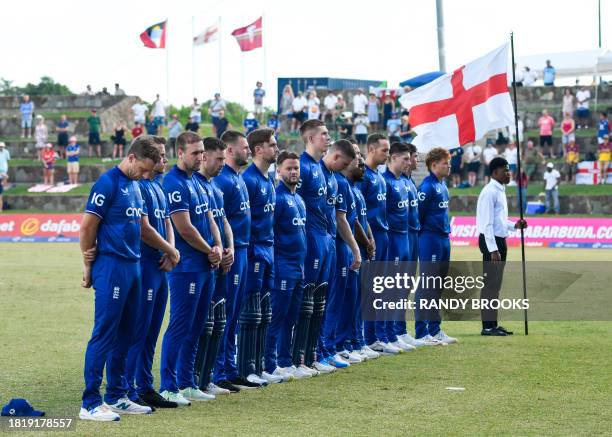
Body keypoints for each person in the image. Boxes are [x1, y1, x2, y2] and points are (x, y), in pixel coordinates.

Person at [78, 136, 161, 421]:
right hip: (111, 266)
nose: (147, 175)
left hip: (134, 266)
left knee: (128, 333)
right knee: (105, 332)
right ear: (132, 158)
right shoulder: (107, 183)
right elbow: (87, 227)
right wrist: (88, 265)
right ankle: (90, 402)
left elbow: (142, 227)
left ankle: (117, 395)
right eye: (144, 169)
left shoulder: (137, 186)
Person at [159, 131, 222, 404]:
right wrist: (210, 251)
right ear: (180, 153)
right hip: (187, 267)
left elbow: (209, 218)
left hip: (206, 264)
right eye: (195, 153)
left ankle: (187, 382)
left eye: (202, 152)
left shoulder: (197, 181)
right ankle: (168, 385)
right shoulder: (173, 183)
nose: (201, 157)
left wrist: (218, 247)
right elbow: (184, 228)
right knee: (180, 325)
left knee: (197, 325)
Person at [123, 136, 181, 410]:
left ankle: (145, 385)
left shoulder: (159, 186)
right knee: (139, 330)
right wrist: (170, 250)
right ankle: (129, 388)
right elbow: (144, 230)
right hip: (146, 266)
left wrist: (170, 251)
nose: (164, 160)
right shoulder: (139, 187)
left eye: (164, 154)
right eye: (159, 155)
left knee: (152, 330)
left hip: (161, 266)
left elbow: (167, 220)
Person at [212, 130, 257, 392]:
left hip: (241, 251)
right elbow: (219, 220)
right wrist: (225, 248)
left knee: (234, 314)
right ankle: (219, 371)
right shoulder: (224, 181)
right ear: (230, 151)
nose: (248, 151)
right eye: (244, 147)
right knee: (224, 315)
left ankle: (229, 368)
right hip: (231, 255)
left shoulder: (238, 178)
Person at [193, 137, 235, 395]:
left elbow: (223, 220)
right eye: (218, 159)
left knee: (217, 321)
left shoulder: (213, 187)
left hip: (220, 259)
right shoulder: (194, 184)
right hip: (201, 263)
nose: (222, 163)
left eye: (223, 159)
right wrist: (214, 250)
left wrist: (229, 248)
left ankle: (206, 378)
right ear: (204, 157)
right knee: (201, 323)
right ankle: (192, 379)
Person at [293, 119, 336, 375]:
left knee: (320, 300)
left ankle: (313, 354)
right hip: (310, 238)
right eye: (323, 134)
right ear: (309, 138)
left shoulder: (321, 168)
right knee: (306, 300)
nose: (328, 138)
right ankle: (298, 357)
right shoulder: (303, 167)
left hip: (326, 239)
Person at [263, 150, 310, 381]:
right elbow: (270, 232)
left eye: (296, 168)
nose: (293, 172)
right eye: (289, 168)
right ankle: (269, 363)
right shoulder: (278, 198)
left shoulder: (299, 199)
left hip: (298, 267)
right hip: (282, 266)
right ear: (279, 170)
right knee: (277, 316)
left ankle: (284, 360)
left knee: (291, 316)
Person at [239, 128, 279, 386]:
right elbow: (245, 221)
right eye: (272, 145)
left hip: (269, 250)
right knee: (250, 311)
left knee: (264, 310)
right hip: (254, 252)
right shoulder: (249, 180)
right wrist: (253, 250)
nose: (277, 149)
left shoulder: (268, 180)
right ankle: (244, 367)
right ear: (258, 150)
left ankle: (259, 363)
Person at [476, 157, 527, 336]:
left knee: (495, 285)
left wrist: (515, 225)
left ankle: (493, 324)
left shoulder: (500, 190)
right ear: (495, 172)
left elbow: (499, 221)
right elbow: (487, 223)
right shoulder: (489, 192)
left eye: (508, 169)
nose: (509, 173)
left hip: (499, 240)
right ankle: (487, 327)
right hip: (492, 241)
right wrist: (493, 249)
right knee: (490, 284)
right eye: (505, 170)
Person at [318, 139, 358, 368]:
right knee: (327, 301)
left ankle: (331, 347)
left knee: (334, 300)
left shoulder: (336, 180)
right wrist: (356, 249)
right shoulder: (325, 176)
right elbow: (340, 218)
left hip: (329, 243)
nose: (354, 163)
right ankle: (324, 349)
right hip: (324, 243)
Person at [359, 134, 401, 354]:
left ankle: (379, 336)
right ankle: (368, 338)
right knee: (371, 289)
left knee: (382, 288)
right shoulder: (364, 176)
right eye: (384, 150)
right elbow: (360, 213)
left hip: (383, 236)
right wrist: (367, 238)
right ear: (371, 149)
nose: (387, 154)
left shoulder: (380, 177)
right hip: (371, 237)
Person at [415, 147, 457, 345]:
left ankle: (435, 328)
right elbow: (419, 217)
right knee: (427, 286)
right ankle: (422, 332)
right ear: (433, 165)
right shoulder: (427, 187)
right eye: (445, 163)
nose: (449, 166)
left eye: (449, 162)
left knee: (438, 286)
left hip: (443, 239)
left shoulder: (443, 185)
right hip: (430, 239)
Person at [381, 142, 417, 352]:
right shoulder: (385, 182)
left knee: (401, 288)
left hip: (405, 238)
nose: (409, 162)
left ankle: (395, 332)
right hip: (393, 239)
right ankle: (386, 334)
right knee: (389, 289)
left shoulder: (404, 182)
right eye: (405, 159)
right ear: (393, 158)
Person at [344, 141, 379, 358]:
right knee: (347, 299)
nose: (361, 160)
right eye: (356, 155)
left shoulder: (356, 188)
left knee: (359, 298)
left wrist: (370, 238)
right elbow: (351, 220)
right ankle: (345, 344)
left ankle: (357, 341)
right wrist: (365, 242)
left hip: (362, 245)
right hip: (349, 248)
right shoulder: (344, 185)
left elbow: (362, 218)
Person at [398, 143, 427, 347]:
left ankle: (400, 330)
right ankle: (393, 331)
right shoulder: (395, 181)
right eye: (413, 157)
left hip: (412, 236)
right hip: (401, 237)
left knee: (406, 286)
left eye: (414, 157)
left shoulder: (409, 183)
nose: (415, 161)